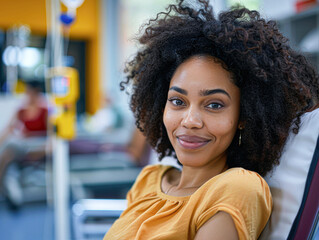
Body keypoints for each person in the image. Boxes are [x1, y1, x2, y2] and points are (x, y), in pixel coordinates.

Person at [104, 0, 319, 239]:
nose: (190, 121)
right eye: (178, 101)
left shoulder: (236, 188)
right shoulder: (150, 179)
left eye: (214, 105)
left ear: (243, 117)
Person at [0, 80, 48, 205]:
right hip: (22, 146)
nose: (27, 95)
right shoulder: (21, 111)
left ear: (36, 93)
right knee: (8, 152)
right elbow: (8, 129)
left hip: (37, 146)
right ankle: (7, 187)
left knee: (9, 148)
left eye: (29, 92)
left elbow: (52, 135)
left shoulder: (45, 111)